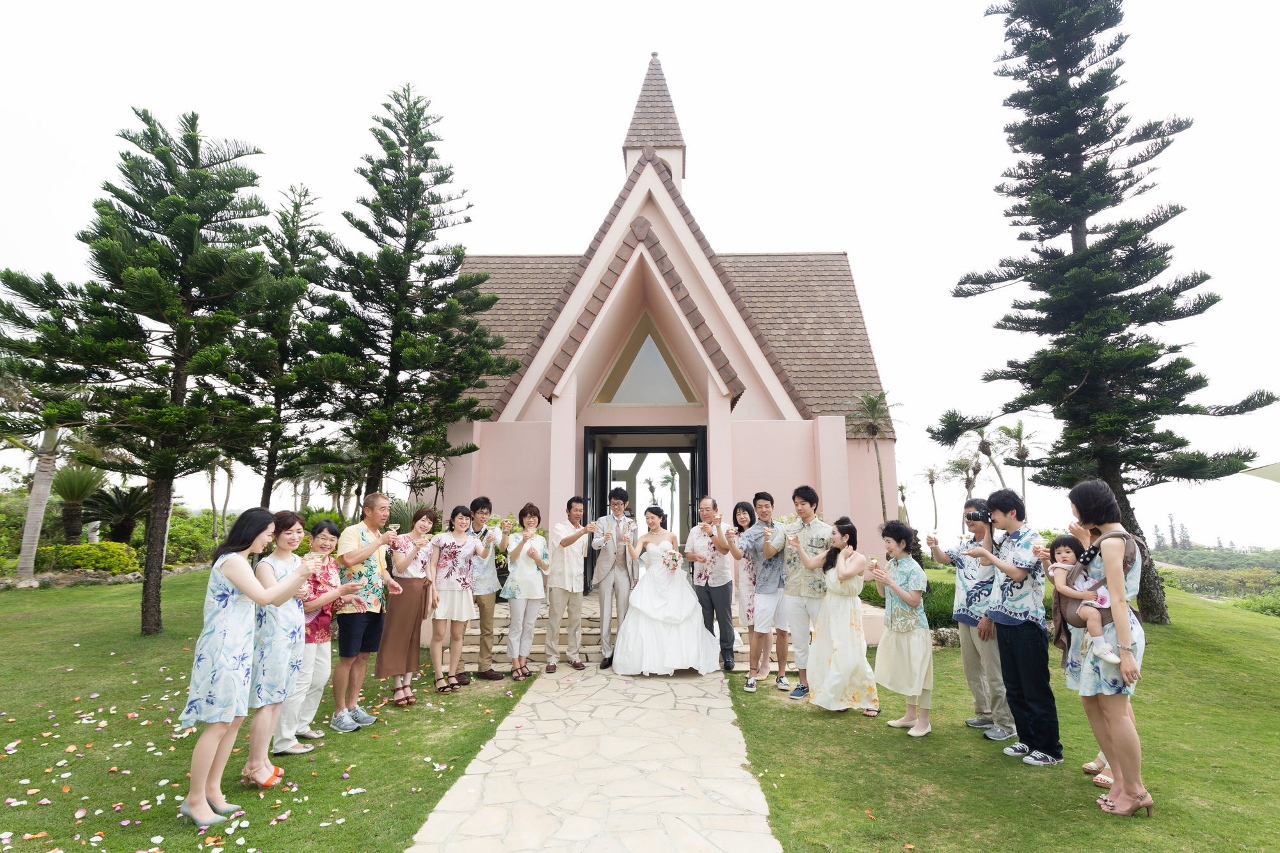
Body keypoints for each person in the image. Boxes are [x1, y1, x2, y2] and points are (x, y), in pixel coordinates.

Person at [179, 508, 312, 826]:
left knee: (235, 718)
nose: (270, 538)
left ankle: (213, 790)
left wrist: (296, 580)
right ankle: (194, 800)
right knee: (218, 723)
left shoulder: (238, 560)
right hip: (222, 651)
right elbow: (265, 598)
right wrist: (299, 574)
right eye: (268, 533)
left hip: (237, 651)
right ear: (252, 531)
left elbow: (269, 597)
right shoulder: (234, 561)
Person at [1065, 479, 1151, 817]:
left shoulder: (1115, 541)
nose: (1073, 512)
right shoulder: (1109, 538)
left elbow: (1118, 598)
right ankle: (1119, 780)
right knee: (1092, 703)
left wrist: (1126, 651)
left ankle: (1135, 789)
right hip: (1105, 629)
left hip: (1117, 633)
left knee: (1116, 712)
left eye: (1075, 506)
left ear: (1088, 508)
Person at [965, 488, 1063, 767]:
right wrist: (987, 531)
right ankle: (1028, 740)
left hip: (1025, 624)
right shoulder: (1004, 539)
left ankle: (1051, 749)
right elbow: (985, 559)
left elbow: (1018, 573)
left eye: (994, 513)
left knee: (1035, 688)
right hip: (1004, 620)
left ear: (1012, 513)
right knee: (1014, 687)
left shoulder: (1031, 539)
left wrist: (991, 553)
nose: (991, 516)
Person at [927, 499, 1017, 741]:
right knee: (972, 670)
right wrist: (934, 547)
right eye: (966, 516)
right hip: (964, 615)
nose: (969, 519)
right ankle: (985, 713)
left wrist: (989, 616)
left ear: (986, 516)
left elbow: (1001, 579)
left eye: (973, 515)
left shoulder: (998, 545)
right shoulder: (965, 545)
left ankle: (1005, 724)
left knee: (993, 672)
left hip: (986, 617)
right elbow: (943, 559)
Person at [273, 520, 361, 755]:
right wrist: (340, 592)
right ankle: (284, 738)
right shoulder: (304, 564)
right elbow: (308, 603)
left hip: (324, 629)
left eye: (333, 539)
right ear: (311, 539)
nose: (328, 543)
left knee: (319, 678)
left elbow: (332, 597)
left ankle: (302, 724)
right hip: (305, 629)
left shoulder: (331, 563)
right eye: (323, 537)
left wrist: (349, 598)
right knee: (301, 682)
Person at [612, 506, 720, 676]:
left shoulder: (671, 536)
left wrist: (674, 562)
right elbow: (635, 556)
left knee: (676, 613)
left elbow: (677, 556)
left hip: (671, 579)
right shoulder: (644, 538)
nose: (649, 521)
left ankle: (680, 659)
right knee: (648, 615)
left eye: (652, 517)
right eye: (647, 518)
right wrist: (628, 544)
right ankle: (651, 661)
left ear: (660, 518)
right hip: (653, 579)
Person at [242, 510, 309, 784]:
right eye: (288, 532)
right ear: (276, 535)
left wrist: (300, 590)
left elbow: (297, 593)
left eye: (299, 531)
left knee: (279, 698)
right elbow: (274, 599)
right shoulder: (265, 566)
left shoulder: (299, 561)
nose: (294, 537)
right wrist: (296, 586)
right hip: (273, 637)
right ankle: (254, 764)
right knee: (267, 700)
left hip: (295, 633)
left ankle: (264, 759)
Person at [792, 517, 879, 715]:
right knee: (831, 651)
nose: (831, 537)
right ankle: (840, 697)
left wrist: (841, 557)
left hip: (848, 609)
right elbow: (809, 563)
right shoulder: (831, 554)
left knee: (853, 653)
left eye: (834, 533)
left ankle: (870, 701)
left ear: (846, 537)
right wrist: (798, 546)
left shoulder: (859, 558)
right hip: (830, 606)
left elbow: (843, 575)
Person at [331, 493, 402, 733]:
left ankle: (353, 706)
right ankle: (339, 711)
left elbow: (378, 568)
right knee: (348, 657)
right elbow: (349, 560)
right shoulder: (353, 533)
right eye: (382, 509)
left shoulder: (376, 537)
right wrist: (379, 542)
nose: (386, 513)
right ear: (367, 510)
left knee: (362, 656)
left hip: (376, 603)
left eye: (388, 509)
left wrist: (390, 581)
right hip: (354, 604)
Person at [872, 520, 933, 736]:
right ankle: (910, 716)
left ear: (902, 543)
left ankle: (924, 722)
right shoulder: (891, 565)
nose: (886, 546)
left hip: (914, 629)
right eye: (885, 541)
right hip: (896, 627)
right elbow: (882, 594)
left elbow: (914, 601)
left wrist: (890, 582)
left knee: (921, 675)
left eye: (889, 541)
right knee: (908, 673)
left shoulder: (915, 569)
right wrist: (879, 576)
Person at [727, 492, 790, 692]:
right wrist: (730, 542)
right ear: (756, 510)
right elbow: (738, 555)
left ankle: (781, 675)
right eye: (760, 507)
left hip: (785, 587)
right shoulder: (751, 533)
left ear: (772, 507)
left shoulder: (782, 528)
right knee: (759, 632)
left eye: (767, 506)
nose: (763, 510)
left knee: (782, 631)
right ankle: (752, 675)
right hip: (764, 588)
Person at [378, 507, 439, 706]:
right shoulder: (400, 539)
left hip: (421, 589)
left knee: (414, 636)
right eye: (422, 520)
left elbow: (429, 570)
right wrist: (415, 548)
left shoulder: (429, 544)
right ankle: (396, 684)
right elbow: (400, 567)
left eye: (429, 522)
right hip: (402, 588)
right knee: (398, 636)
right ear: (414, 521)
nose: (425, 525)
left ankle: (407, 683)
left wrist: (431, 594)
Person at [775, 485, 831, 700]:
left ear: (813, 505)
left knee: (823, 637)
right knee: (799, 639)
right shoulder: (788, 530)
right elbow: (771, 550)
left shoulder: (827, 531)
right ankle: (803, 682)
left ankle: (825, 681)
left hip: (819, 592)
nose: (799, 508)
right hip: (793, 591)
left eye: (803, 504)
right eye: (796, 504)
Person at [429, 505, 490, 692]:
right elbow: (432, 565)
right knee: (439, 634)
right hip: (442, 589)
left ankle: (452, 674)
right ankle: (439, 676)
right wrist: (433, 590)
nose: (464, 522)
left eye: (466, 519)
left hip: (463, 591)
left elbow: (484, 555)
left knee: (457, 635)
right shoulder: (440, 538)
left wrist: (489, 543)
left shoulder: (473, 541)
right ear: (453, 520)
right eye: (460, 518)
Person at [1044, 533, 1122, 665]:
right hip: (1075, 606)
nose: (1063, 555)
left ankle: (1091, 637)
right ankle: (1100, 646)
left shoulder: (1077, 567)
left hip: (1084, 601)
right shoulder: (1059, 568)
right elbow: (1061, 587)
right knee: (1093, 614)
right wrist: (1083, 595)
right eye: (1058, 553)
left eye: (1068, 551)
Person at [545, 497, 594, 672]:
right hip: (559, 581)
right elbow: (564, 543)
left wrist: (584, 532)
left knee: (575, 621)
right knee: (555, 620)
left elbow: (583, 556)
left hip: (577, 582)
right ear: (568, 511)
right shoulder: (559, 528)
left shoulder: (583, 531)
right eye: (575, 510)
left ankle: (574, 656)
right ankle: (552, 658)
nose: (579, 513)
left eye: (581, 510)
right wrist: (582, 532)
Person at [592, 487, 638, 670]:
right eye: (613, 504)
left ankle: (620, 650)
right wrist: (604, 538)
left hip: (623, 570)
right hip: (606, 570)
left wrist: (635, 576)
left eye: (619, 504)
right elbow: (594, 544)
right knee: (605, 612)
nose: (616, 507)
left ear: (625, 504)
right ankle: (606, 653)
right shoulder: (602, 521)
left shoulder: (632, 524)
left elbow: (634, 549)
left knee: (623, 613)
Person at [689, 496, 736, 670]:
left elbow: (725, 550)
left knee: (724, 619)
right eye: (701, 510)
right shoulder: (694, 531)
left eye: (708, 509)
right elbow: (688, 553)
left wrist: (711, 533)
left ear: (716, 510)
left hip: (721, 579)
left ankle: (728, 655)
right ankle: (708, 654)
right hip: (701, 580)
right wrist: (695, 557)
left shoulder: (725, 528)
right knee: (705, 619)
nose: (704, 513)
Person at [503, 502, 548, 680]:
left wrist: (536, 557)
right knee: (517, 625)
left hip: (535, 587)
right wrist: (523, 541)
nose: (531, 519)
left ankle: (523, 661)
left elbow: (546, 566)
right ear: (522, 519)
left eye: (534, 516)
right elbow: (512, 559)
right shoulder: (514, 537)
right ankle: (514, 664)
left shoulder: (541, 540)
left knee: (529, 626)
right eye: (528, 516)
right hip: (517, 587)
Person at [726, 501, 768, 685]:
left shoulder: (759, 532)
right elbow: (737, 556)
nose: (742, 516)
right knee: (751, 625)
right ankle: (755, 663)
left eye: (744, 513)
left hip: (761, 583)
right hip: (745, 585)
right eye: (738, 514)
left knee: (763, 626)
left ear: (751, 513)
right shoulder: (736, 536)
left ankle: (765, 664)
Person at [467, 497, 508, 682]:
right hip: (465, 585)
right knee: (459, 629)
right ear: (472, 513)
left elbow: (502, 547)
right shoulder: (462, 531)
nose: (484, 516)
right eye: (480, 512)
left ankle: (485, 667)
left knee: (487, 629)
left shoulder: (493, 531)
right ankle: (457, 669)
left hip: (487, 584)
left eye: (486, 513)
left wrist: (505, 533)